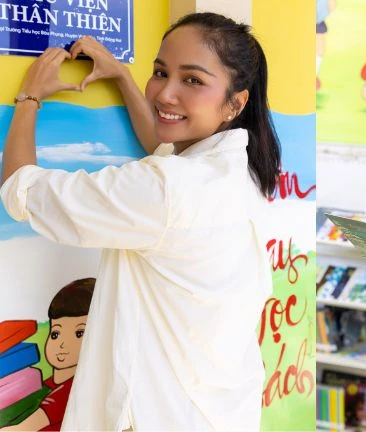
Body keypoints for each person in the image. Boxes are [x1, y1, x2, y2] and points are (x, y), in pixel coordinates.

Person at [1, 12, 280, 431]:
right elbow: (163, 147)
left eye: (192, 80)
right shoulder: (242, 170)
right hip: (220, 410)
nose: (165, 94)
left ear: (235, 102)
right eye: (159, 72)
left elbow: (20, 191)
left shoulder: (166, 190)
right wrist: (122, 77)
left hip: (160, 413)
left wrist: (29, 98)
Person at [1, 279, 95, 431]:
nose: (62, 344)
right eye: (56, 334)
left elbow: (23, 428)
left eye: (79, 333)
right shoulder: (49, 384)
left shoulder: (71, 391)